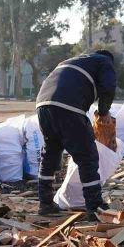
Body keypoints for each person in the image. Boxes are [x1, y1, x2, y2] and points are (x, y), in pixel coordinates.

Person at [35, 50, 117, 220]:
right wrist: (103, 113)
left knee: (50, 153)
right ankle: (94, 207)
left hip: (43, 104)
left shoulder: (73, 60)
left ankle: (45, 203)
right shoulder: (105, 61)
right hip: (68, 106)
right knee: (87, 156)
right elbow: (108, 87)